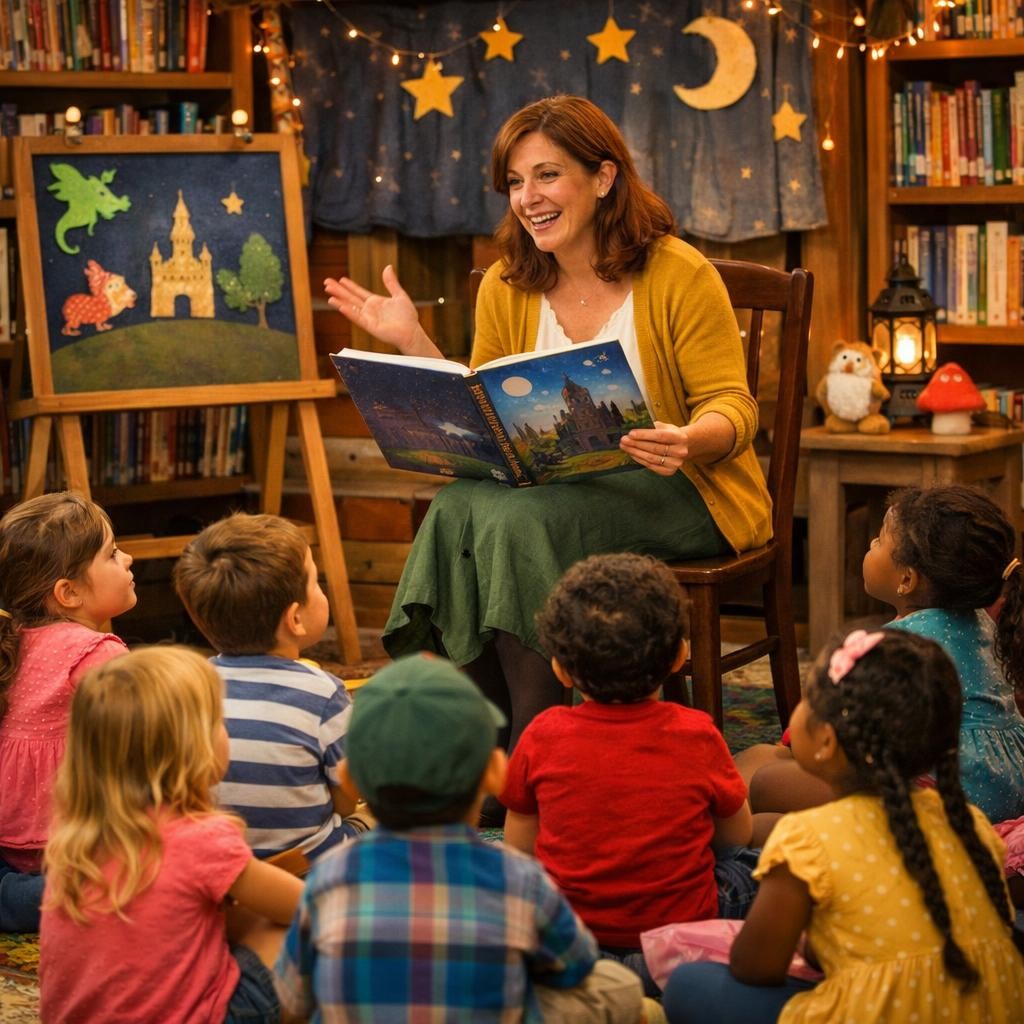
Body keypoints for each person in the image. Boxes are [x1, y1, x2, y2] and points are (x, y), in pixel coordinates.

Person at [324, 95, 771, 810]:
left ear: (603, 178)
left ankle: (532, 754)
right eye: (514, 182)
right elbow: (483, 405)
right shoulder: (508, 282)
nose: (527, 199)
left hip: (681, 485)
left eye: (546, 176)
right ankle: (487, 742)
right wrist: (411, 343)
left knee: (518, 522)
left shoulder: (678, 273)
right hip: (555, 490)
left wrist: (688, 437)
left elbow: (734, 404)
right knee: (457, 506)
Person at [662, 628, 1024, 1024]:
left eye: (807, 700)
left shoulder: (805, 838)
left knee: (686, 982)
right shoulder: (969, 823)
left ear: (827, 741)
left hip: (879, 1013)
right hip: (997, 1007)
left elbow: (756, 967)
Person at [273, 652, 655, 1023]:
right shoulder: (519, 880)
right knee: (619, 988)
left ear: (351, 779)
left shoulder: (327, 880)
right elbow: (574, 966)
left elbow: (292, 1002)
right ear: (495, 774)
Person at [500, 553, 755, 995]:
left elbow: (519, 849)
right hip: (677, 946)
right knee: (757, 866)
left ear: (560, 666)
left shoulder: (542, 735)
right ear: (679, 655)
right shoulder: (696, 732)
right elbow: (737, 834)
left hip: (575, 944)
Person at [39, 646, 303, 1023]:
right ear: (191, 749)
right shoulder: (202, 838)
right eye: (218, 721)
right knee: (287, 934)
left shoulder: (75, 837)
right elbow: (306, 906)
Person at [742, 484, 1024, 833]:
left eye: (878, 541)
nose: (869, 548)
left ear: (906, 579)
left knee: (764, 780)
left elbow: (828, 739)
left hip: (940, 790)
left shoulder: (898, 647)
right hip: (1007, 784)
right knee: (768, 784)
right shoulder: (986, 621)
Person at [173, 513, 372, 866]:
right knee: (372, 815)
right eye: (316, 582)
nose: (321, 590)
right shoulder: (323, 694)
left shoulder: (187, 686)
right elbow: (345, 798)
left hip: (210, 864)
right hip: (306, 865)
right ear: (295, 618)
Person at [0, 491, 135, 932]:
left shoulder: (10, 640)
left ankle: (21, 897)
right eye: (113, 554)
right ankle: (67, 894)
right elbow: (145, 743)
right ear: (68, 593)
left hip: (9, 842)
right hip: (74, 842)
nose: (129, 558)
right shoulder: (97, 653)